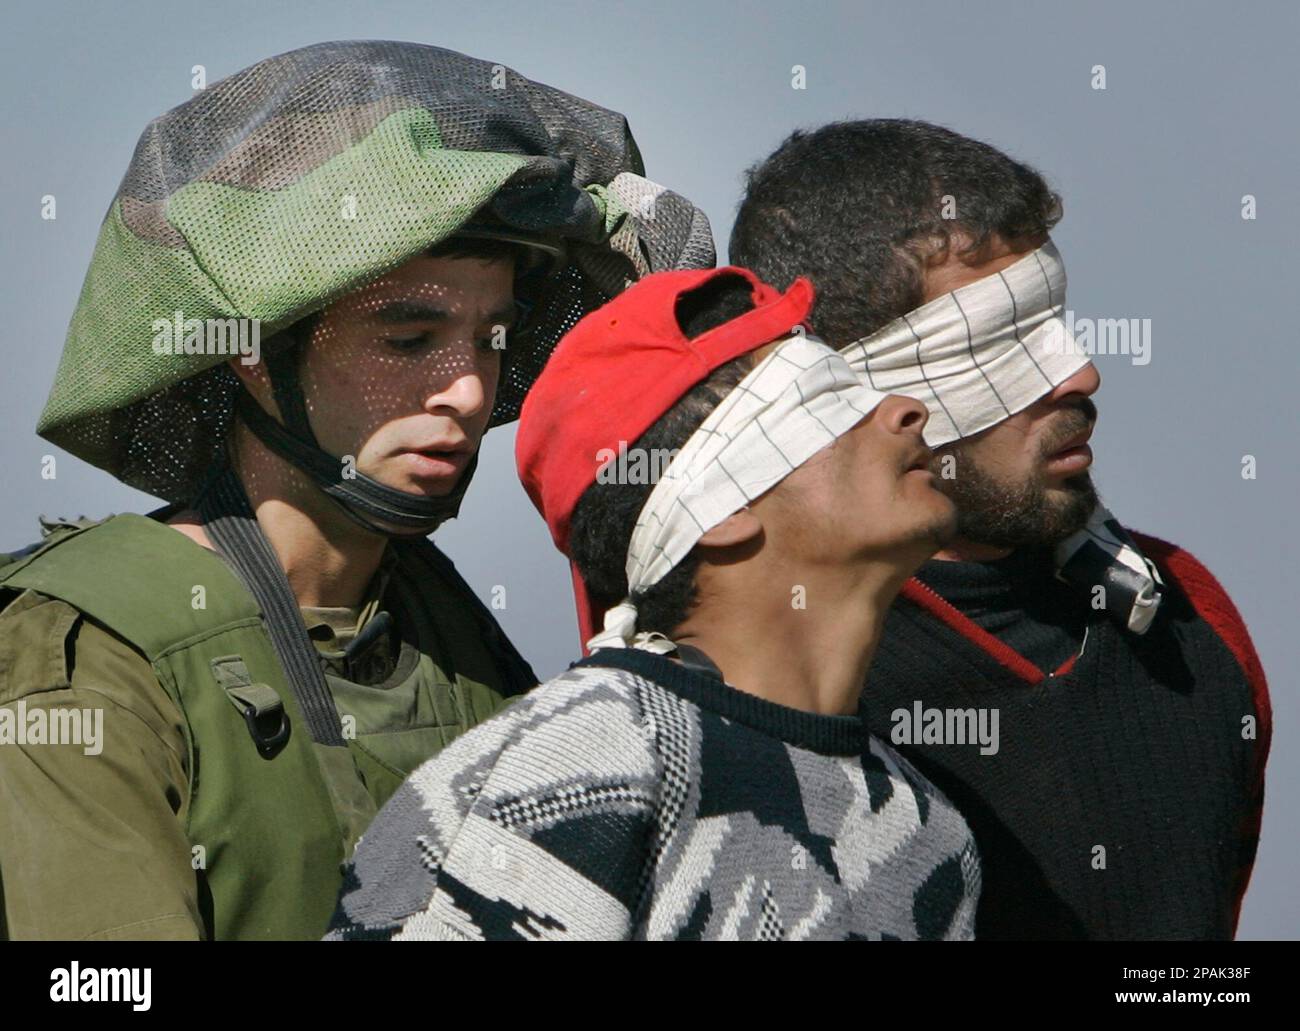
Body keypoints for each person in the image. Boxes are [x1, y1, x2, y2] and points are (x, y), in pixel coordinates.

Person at [0, 39, 712, 941]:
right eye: (408, 341)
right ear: (257, 355)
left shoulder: (449, 632)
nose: (465, 388)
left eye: (490, 338)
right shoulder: (93, 650)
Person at [728, 118, 1271, 939]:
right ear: (846, 383)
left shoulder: (1191, 629)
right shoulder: (751, 681)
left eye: (1055, 320)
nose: (1079, 372)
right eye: (996, 344)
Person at [326, 265, 982, 941]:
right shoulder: (591, 763)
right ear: (717, 511)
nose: (907, 410)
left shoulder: (929, 829)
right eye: (827, 406)